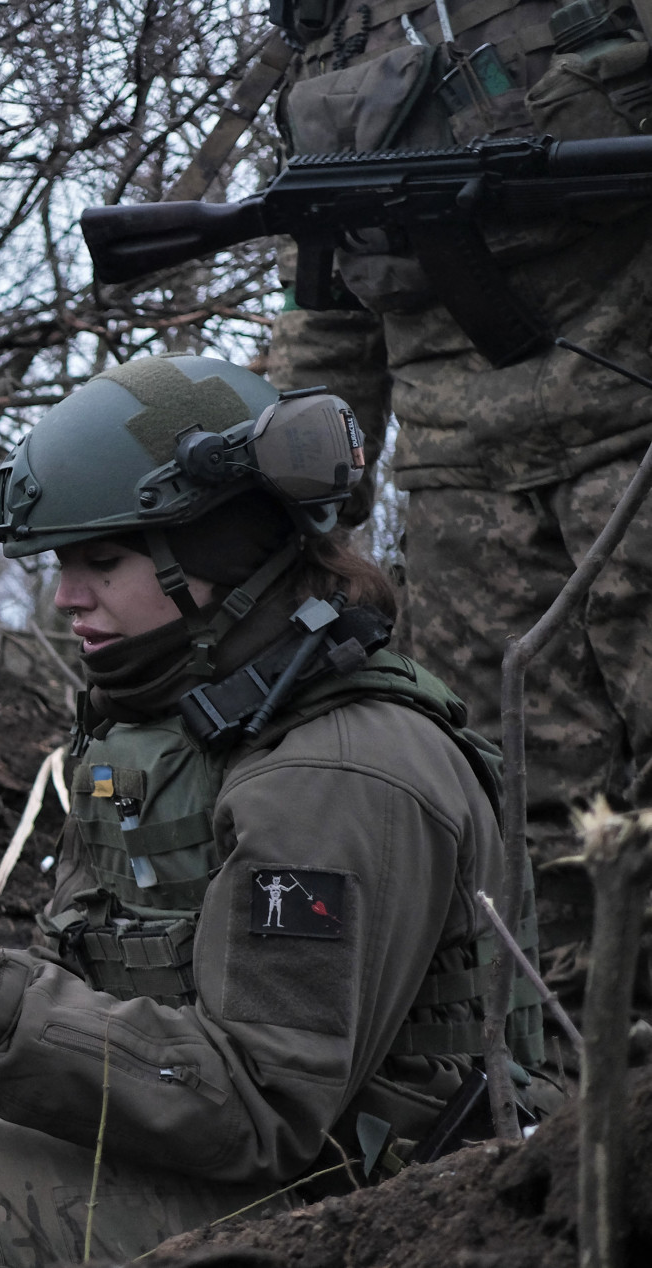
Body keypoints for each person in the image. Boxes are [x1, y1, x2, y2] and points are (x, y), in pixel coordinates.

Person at [0, 355, 555, 1267]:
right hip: (240, 1151)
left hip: (383, 1199)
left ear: (220, 555)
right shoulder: (166, 739)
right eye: (61, 562)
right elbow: (134, 1012)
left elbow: (266, 1107)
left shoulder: (336, 773)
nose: (66, 597)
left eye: (102, 559)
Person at [261, 0, 652, 838]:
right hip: (462, 505)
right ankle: (555, 976)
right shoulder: (327, 35)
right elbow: (323, 299)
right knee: (513, 814)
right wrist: (299, 504)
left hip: (636, 446)